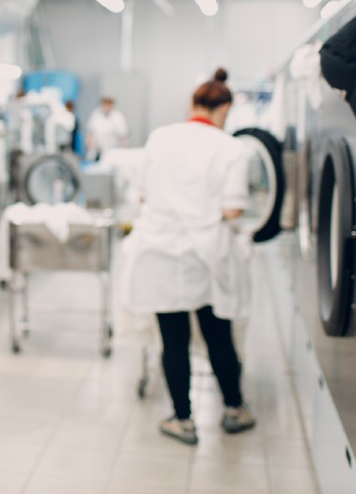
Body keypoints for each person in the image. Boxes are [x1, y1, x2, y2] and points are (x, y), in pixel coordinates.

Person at [125, 67, 255, 445]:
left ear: (192, 103)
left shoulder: (159, 139)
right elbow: (233, 211)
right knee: (218, 336)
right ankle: (234, 409)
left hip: (160, 253)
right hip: (207, 256)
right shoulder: (231, 148)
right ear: (225, 109)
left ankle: (182, 419)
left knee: (173, 340)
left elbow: (144, 196)